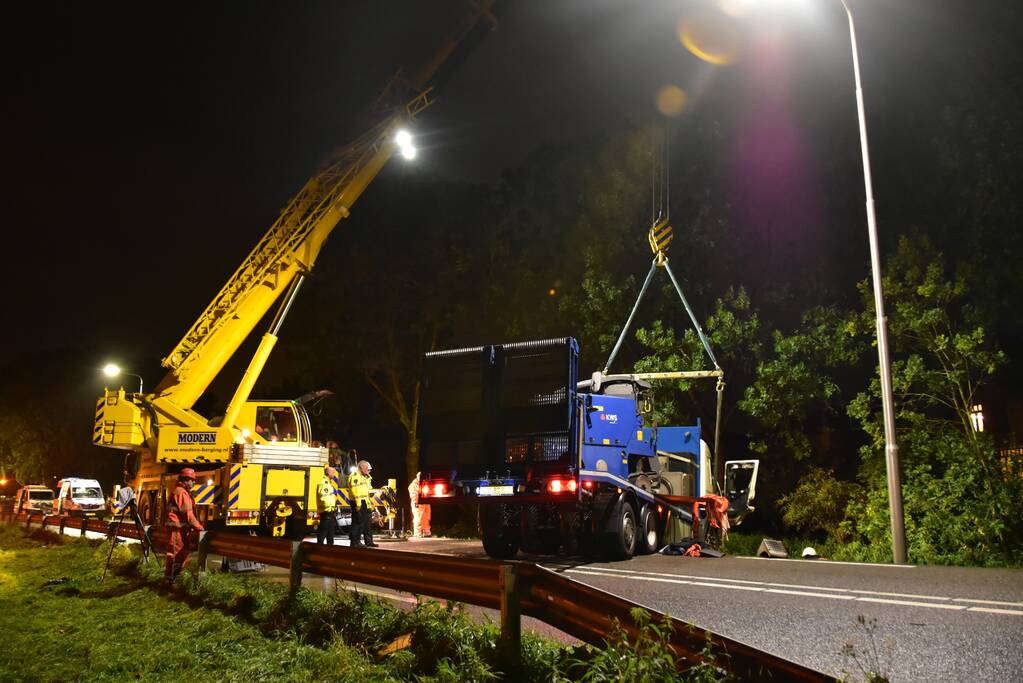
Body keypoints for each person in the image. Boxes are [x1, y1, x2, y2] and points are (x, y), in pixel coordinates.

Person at [165, 467, 204, 584]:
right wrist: (200, 529)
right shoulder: (181, 493)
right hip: (177, 530)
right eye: (192, 480)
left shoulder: (180, 492)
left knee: (180, 556)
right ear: (186, 480)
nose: (194, 482)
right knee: (175, 557)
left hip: (179, 530)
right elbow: (189, 515)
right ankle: (169, 582)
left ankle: (173, 581)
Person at [348, 459, 378, 548]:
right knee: (358, 522)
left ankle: (369, 541)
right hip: (359, 502)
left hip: (365, 502)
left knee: (367, 523)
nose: (369, 471)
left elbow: (367, 490)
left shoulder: (364, 477)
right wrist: (358, 504)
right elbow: (355, 491)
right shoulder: (355, 476)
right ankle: (355, 542)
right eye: (367, 469)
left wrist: (370, 502)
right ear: (362, 467)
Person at [317, 465, 338, 545]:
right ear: (328, 473)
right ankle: (319, 546)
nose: (334, 474)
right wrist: (329, 507)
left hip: (329, 510)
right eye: (333, 472)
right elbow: (324, 497)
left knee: (330, 531)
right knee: (324, 530)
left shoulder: (328, 483)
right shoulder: (324, 483)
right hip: (326, 511)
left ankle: (330, 546)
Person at [408, 472, 431, 538]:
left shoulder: (425, 483)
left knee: (426, 517)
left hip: (426, 502)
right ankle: (417, 533)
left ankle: (426, 531)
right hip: (418, 502)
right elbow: (413, 495)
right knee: (418, 517)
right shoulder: (414, 484)